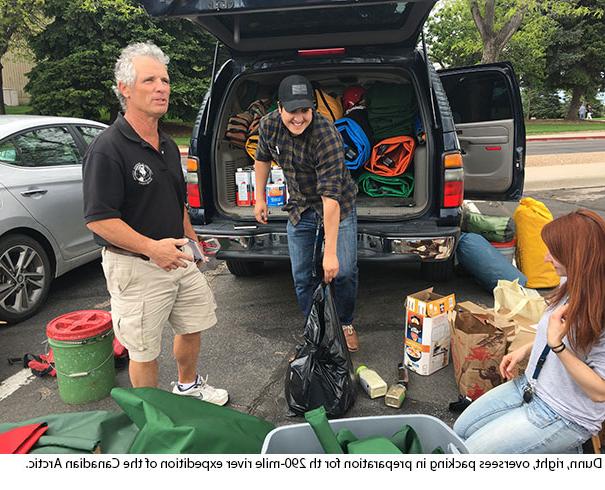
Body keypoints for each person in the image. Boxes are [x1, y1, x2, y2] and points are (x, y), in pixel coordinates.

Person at [82, 42, 228, 405]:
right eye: (150, 80)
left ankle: (187, 386)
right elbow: (99, 221)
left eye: (164, 80)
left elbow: (175, 199)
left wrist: (191, 242)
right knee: (143, 349)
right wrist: (151, 248)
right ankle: (152, 416)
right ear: (125, 88)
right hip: (138, 266)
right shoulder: (108, 148)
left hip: (177, 257)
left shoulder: (165, 142)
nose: (161, 87)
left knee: (193, 324)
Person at [453, 209, 605, 453]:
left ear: (576, 256)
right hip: (530, 386)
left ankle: (570, 449)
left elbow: (600, 392)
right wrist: (526, 349)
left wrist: (557, 346)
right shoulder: (571, 282)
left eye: (553, 253)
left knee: (469, 454)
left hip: (563, 413)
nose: (546, 258)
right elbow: (552, 331)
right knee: (459, 433)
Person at [253, 75, 360, 351]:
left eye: (305, 110)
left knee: (343, 271)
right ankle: (315, 329)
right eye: (293, 111)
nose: (299, 117)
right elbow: (262, 159)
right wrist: (259, 198)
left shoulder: (326, 134)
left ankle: (345, 322)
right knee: (302, 276)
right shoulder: (268, 126)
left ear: (312, 108)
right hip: (300, 207)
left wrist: (331, 252)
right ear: (280, 108)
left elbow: (331, 200)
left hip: (337, 204)